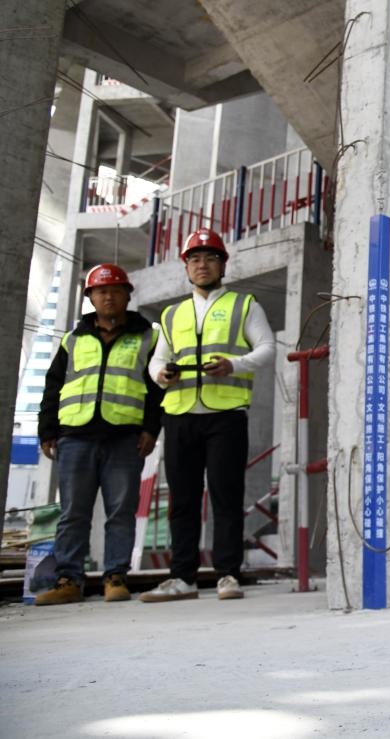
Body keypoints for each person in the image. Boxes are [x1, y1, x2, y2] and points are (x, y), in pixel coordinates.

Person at [139, 227, 275, 602]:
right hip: (179, 415)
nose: (202, 265)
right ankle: (181, 578)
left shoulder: (244, 305)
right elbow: (157, 361)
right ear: (186, 267)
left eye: (211, 258)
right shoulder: (172, 313)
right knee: (181, 500)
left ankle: (228, 574)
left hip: (226, 415)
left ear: (222, 265)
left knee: (225, 496)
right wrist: (161, 375)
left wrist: (234, 364)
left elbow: (267, 349)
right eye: (195, 259)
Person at [35, 264, 162, 605]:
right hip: (75, 436)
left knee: (120, 511)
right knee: (73, 513)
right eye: (101, 291)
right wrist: (47, 431)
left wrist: (151, 429)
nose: (108, 297)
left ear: (127, 296)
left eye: (116, 291)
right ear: (90, 297)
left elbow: (156, 390)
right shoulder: (73, 339)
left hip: (125, 437)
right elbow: (53, 387)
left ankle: (115, 577)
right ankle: (68, 580)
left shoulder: (147, 337)